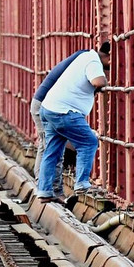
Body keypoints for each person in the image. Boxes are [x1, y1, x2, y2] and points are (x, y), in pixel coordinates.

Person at [35, 41, 112, 202]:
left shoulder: (85, 56)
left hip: (48, 108)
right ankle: (82, 183)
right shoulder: (93, 60)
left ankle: (44, 191)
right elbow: (98, 81)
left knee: (52, 152)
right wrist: (105, 81)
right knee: (89, 142)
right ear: (107, 56)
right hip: (65, 112)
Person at [30, 49, 86, 197]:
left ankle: (46, 187)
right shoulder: (85, 62)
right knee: (52, 149)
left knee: (48, 147)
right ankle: (50, 189)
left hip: (45, 105)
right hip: (46, 106)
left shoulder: (79, 60)